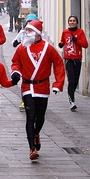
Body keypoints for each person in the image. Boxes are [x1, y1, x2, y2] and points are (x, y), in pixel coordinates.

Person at [11, 20, 65, 160]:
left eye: (29, 31)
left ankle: (36, 134)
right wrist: (16, 72)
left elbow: (59, 64)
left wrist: (58, 83)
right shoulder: (22, 48)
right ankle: (32, 148)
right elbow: (15, 62)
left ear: (37, 33)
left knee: (40, 117)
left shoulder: (48, 48)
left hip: (42, 87)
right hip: (28, 87)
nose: (26, 33)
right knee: (30, 116)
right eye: (26, 30)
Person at [58, 15, 89, 111]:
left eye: (74, 21)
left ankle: (72, 96)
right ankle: (72, 102)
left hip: (78, 59)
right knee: (71, 80)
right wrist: (61, 44)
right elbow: (62, 42)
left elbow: (85, 45)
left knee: (75, 81)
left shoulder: (80, 32)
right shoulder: (65, 32)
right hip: (68, 59)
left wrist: (77, 40)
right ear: (68, 22)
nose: (72, 22)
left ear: (77, 22)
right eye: (70, 21)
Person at [12, 13, 38, 111]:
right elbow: (14, 42)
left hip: (36, 61)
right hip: (25, 60)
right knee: (25, 81)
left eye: (32, 22)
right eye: (29, 22)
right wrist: (17, 42)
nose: (30, 24)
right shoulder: (23, 32)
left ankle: (36, 98)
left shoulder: (38, 34)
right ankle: (24, 100)